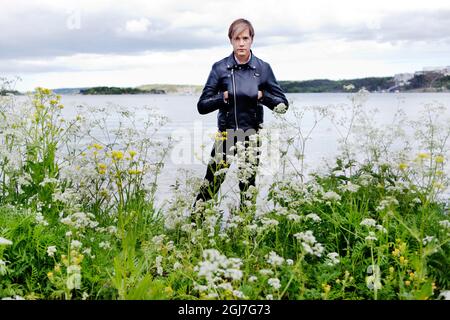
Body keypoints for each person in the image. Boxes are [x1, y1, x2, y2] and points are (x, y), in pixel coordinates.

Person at [193, 18, 288, 213]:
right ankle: (193, 228)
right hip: (226, 136)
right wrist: (224, 96)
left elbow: (283, 105)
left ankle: (246, 235)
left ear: (252, 39)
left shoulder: (263, 68)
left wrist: (262, 96)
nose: (241, 43)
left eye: (245, 38)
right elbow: (202, 106)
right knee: (209, 187)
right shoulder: (219, 68)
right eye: (237, 38)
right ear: (231, 41)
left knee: (247, 190)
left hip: (251, 137)